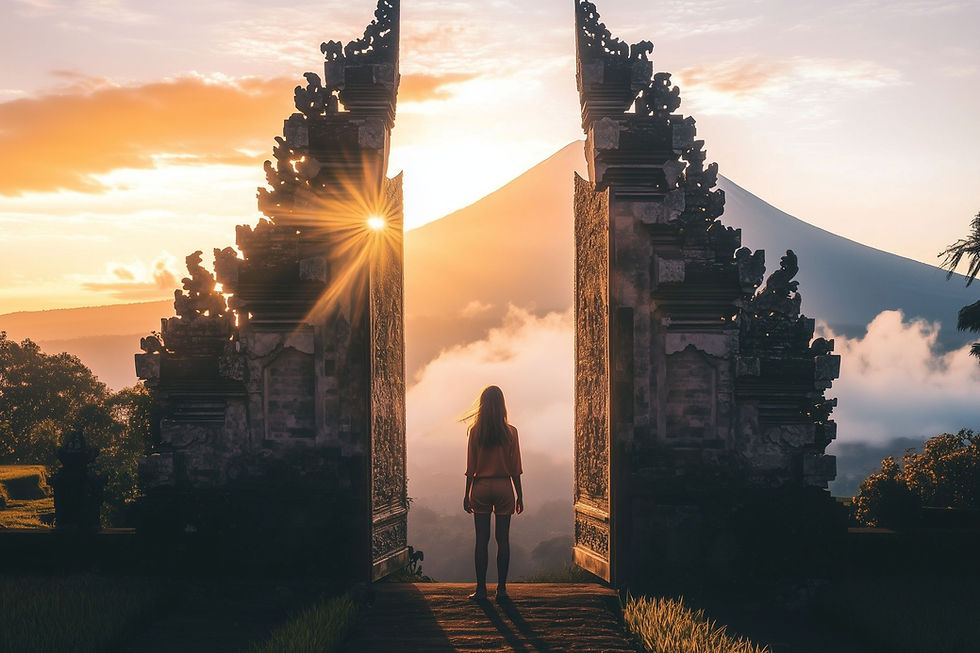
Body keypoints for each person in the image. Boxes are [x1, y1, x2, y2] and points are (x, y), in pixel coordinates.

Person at [463, 385, 524, 601]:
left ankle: (480, 590)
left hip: (480, 486)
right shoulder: (511, 432)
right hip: (504, 487)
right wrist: (520, 495)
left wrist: (466, 493)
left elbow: (471, 467)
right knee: (503, 540)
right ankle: (501, 590)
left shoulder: (475, 431)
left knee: (481, 539)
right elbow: (515, 467)